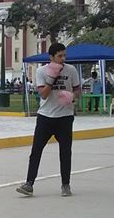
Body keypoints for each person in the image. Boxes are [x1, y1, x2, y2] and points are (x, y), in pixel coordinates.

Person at [16, 43, 81, 197]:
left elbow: (77, 89)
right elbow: (43, 95)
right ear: (51, 57)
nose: (63, 59)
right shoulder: (41, 71)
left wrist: (72, 96)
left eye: (64, 55)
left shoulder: (71, 70)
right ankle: (29, 183)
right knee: (36, 150)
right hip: (45, 116)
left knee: (65, 151)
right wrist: (52, 77)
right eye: (59, 56)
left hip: (65, 117)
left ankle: (66, 184)